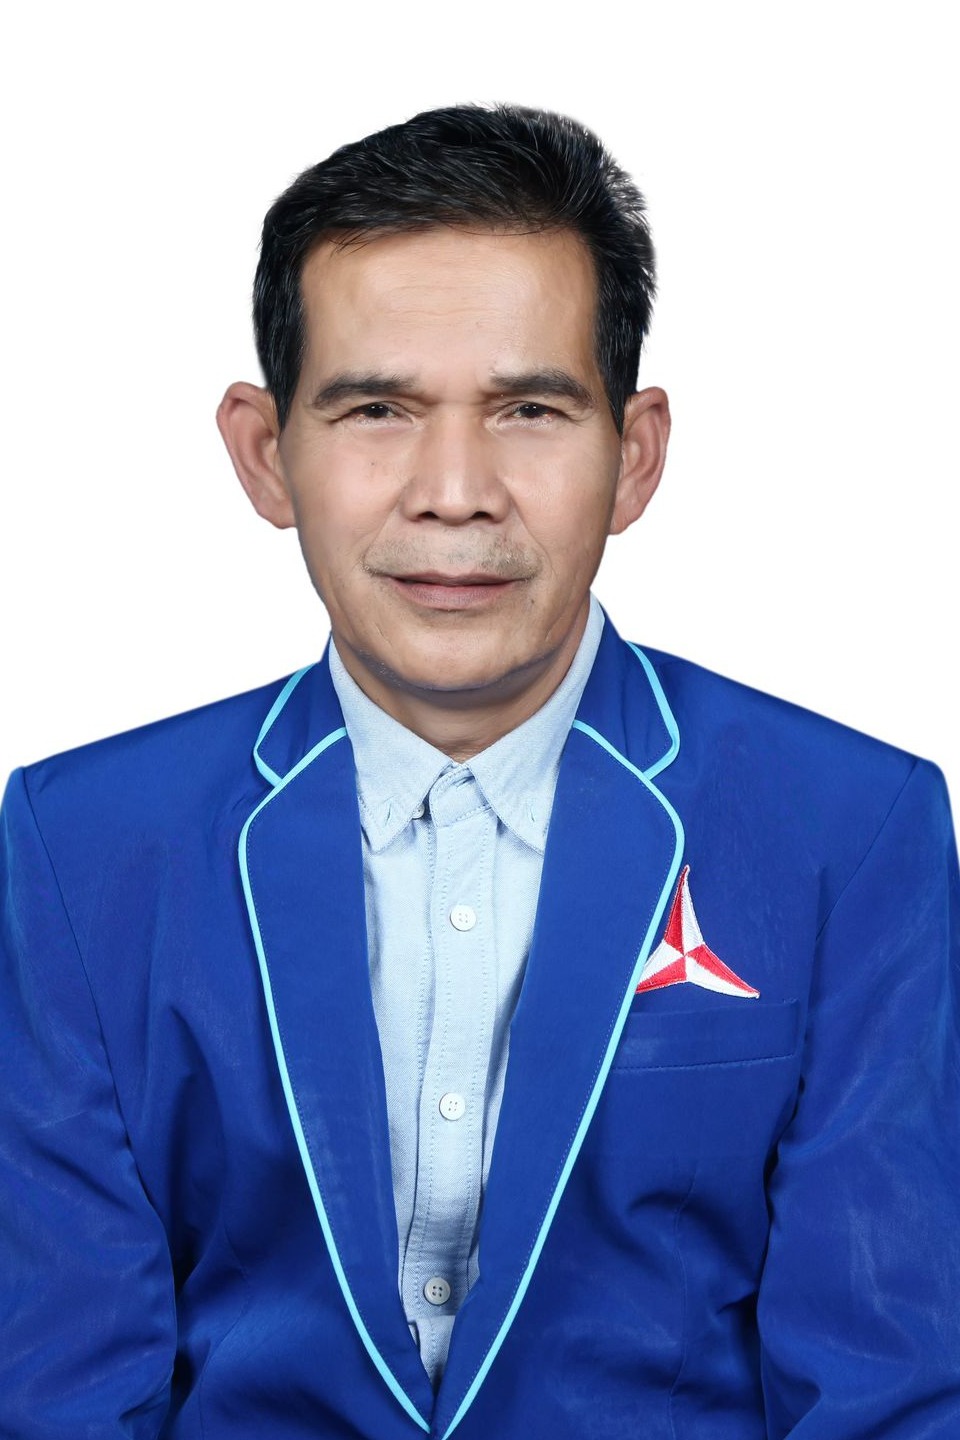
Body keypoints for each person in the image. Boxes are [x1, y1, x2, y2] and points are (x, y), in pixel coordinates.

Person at [1, 103, 958, 1440]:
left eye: (529, 410)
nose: (455, 490)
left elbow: (887, 1387)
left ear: (634, 456)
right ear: (266, 454)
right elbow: (57, 1388)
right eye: (376, 409)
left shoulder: (851, 830)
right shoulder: (81, 845)